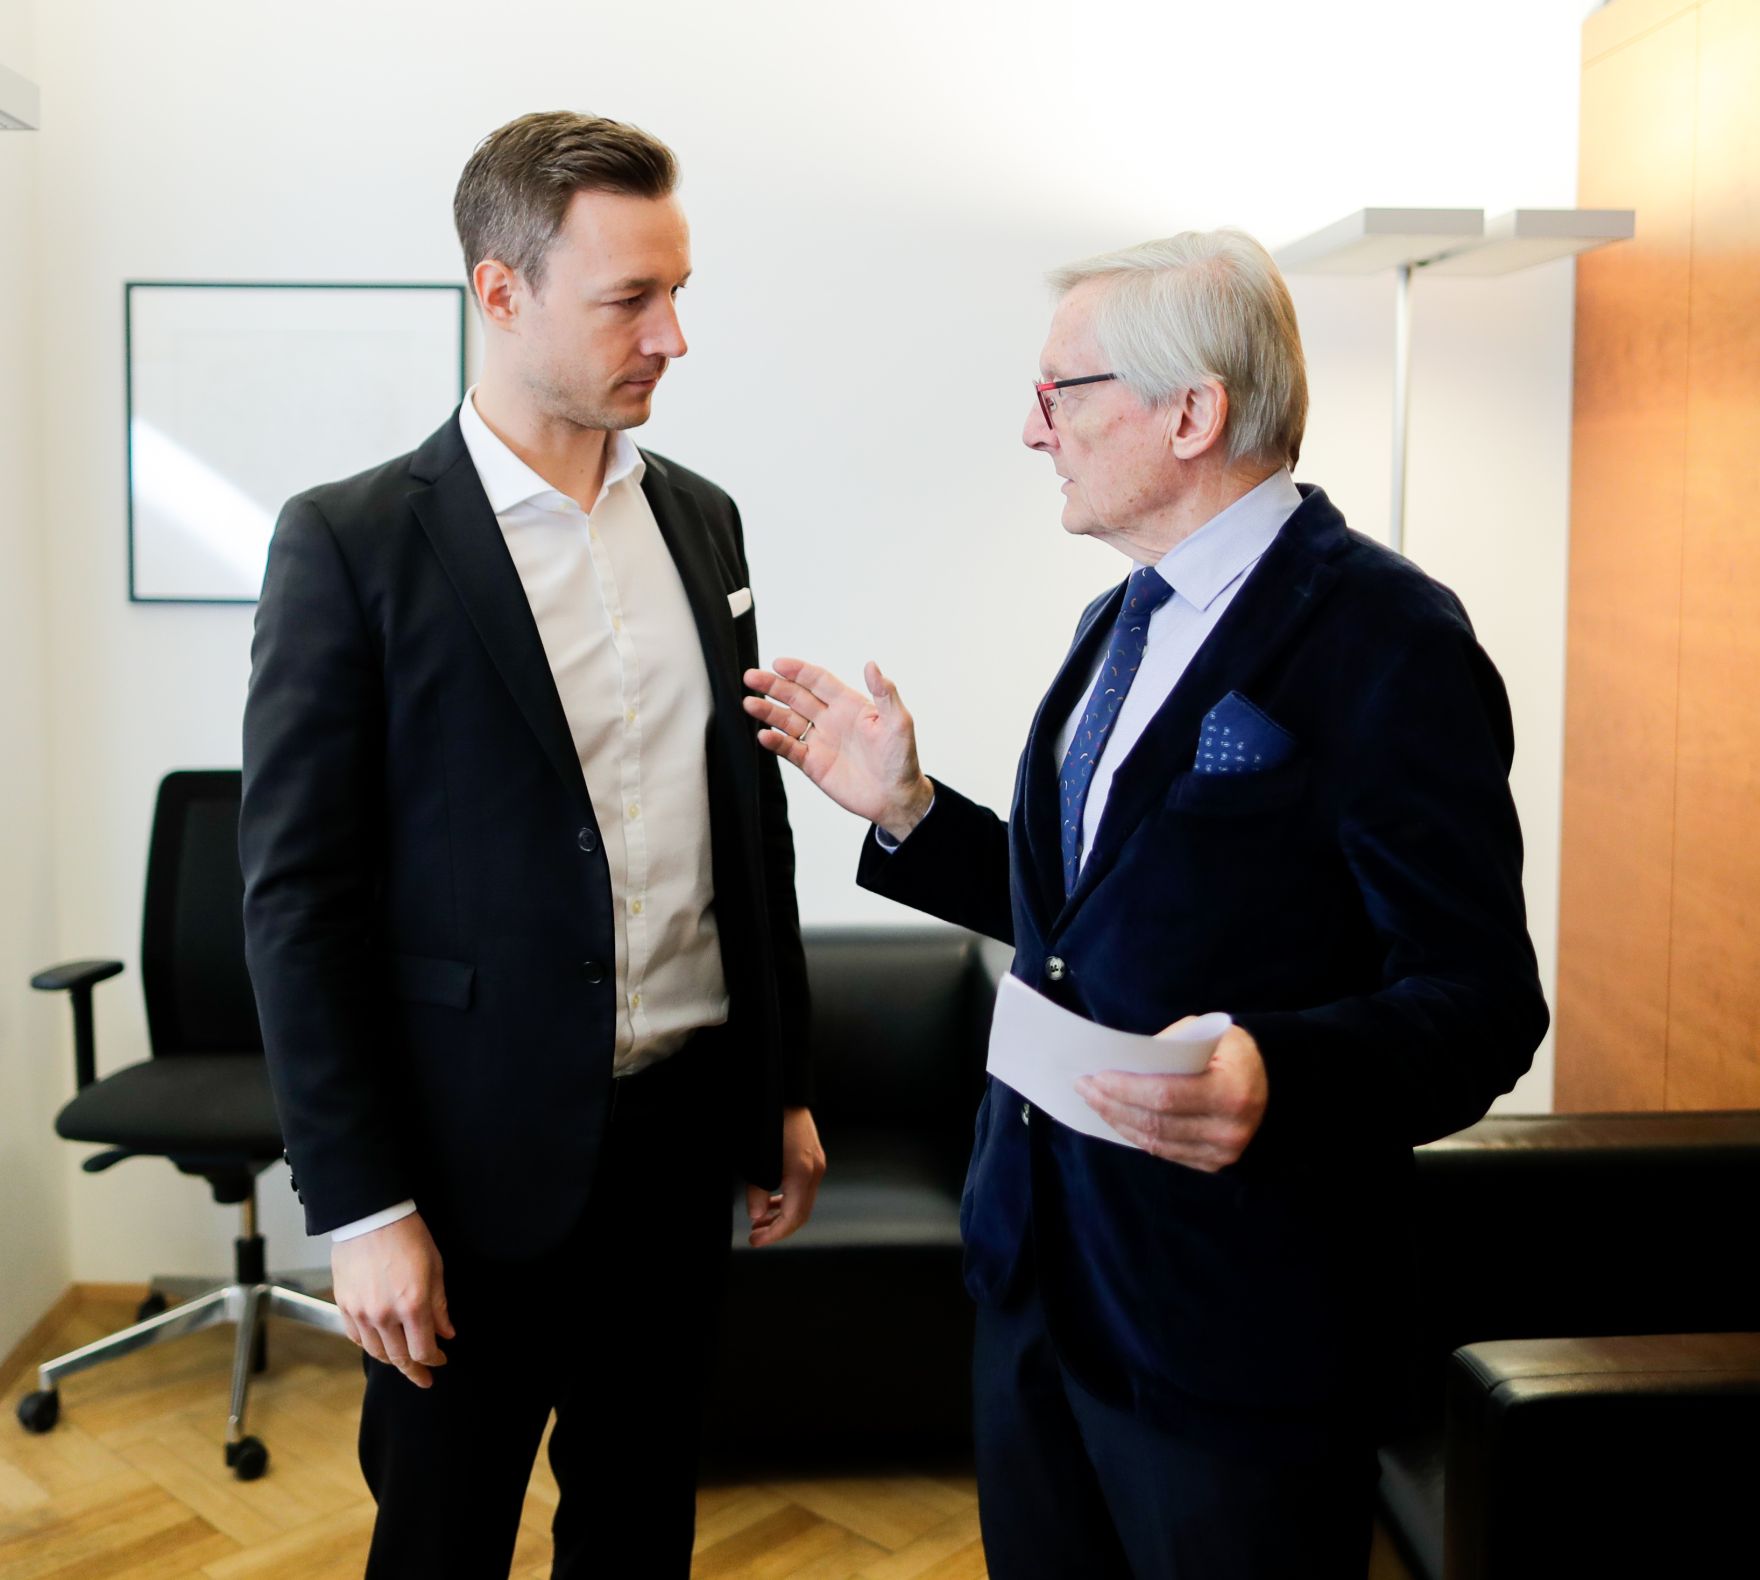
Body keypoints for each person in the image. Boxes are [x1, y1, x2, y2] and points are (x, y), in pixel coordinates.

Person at [742, 230, 1549, 1578]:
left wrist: (1276, 1073)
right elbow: (1087, 927)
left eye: (1060, 393)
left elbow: (1482, 1006)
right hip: (1038, 1285)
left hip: (1234, 1328)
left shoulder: (1390, 639)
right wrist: (909, 811)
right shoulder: (1117, 622)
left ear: (1191, 413)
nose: (1031, 430)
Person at [240, 110, 823, 1579]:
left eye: (677, 291)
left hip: (676, 1148)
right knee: (441, 1541)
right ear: (500, 292)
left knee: (640, 1530)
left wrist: (779, 1085)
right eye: (632, 298)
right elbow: (299, 904)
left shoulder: (704, 523)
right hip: (462, 1167)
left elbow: (746, 824)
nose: (673, 335)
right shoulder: (351, 543)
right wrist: (362, 1205)